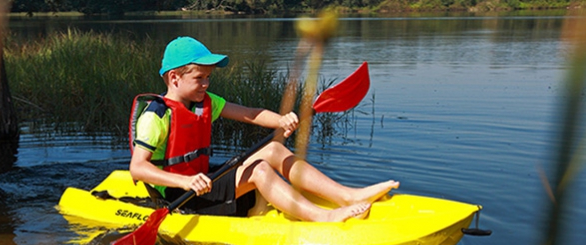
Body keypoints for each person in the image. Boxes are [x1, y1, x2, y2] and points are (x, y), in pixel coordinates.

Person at [129, 36, 399, 222]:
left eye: (209, 77)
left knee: (272, 148)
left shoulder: (205, 103)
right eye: (199, 78)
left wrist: (281, 121)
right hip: (182, 194)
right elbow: (138, 168)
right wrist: (186, 181)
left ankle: (346, 196)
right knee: (259, 170)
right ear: (174, 78)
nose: (206, 84)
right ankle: (323, 216)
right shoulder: (156, 116)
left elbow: (249, 114)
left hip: (202, 179)